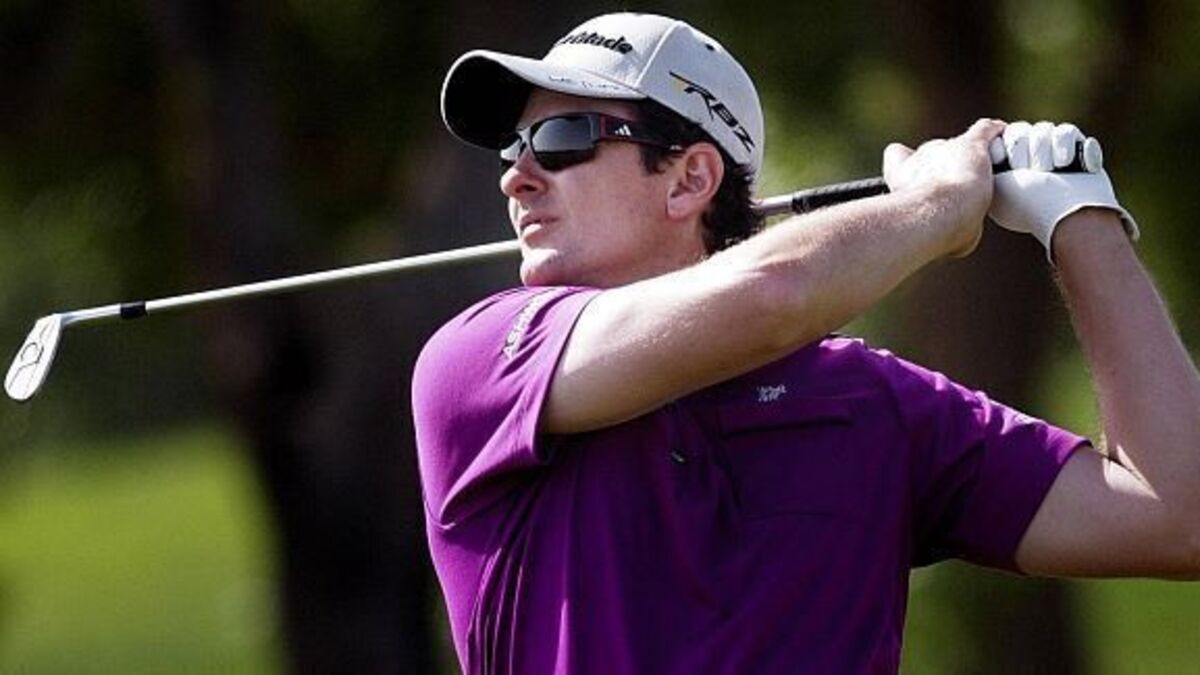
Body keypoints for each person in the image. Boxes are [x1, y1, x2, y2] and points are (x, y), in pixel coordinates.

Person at [413, 12, 1200, 674]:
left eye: (561, 138)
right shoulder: (483, 360)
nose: (517, 175)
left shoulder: (876, 404)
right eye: (514, 147)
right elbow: (774, 295)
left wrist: (1080, 217)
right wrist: (935, 207)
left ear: (689, 179)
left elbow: (1178, 519)